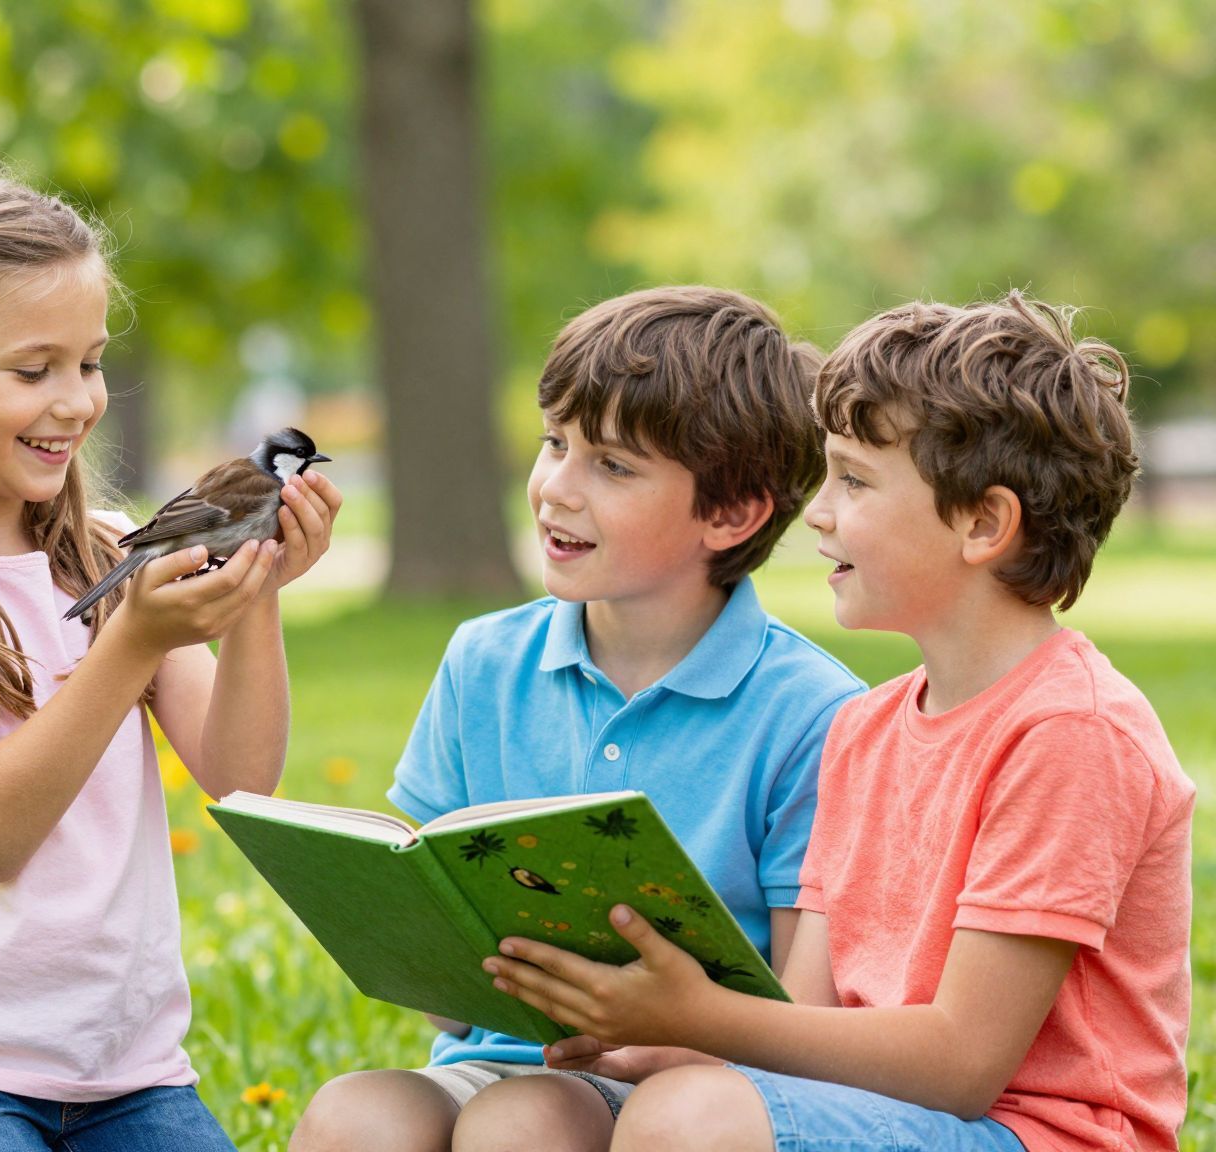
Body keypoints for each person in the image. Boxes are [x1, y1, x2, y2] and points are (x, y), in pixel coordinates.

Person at [487, 293, 1193, 1152]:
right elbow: (806, 1022)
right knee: (568, 1111)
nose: (816, 513)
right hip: (887, 1114)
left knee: (692, 1117)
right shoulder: (863, 728)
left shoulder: (1071, 733)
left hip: (1037, 1134)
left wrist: (702, 1015)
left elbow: (962, 1065)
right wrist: (660, 1034)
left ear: (984, 522)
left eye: (854, 480)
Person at [0, 165, 343, 1152]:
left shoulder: (101, 548)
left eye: (88, 363)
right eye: (32, 369)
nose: (76, 401)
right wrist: (125, 643)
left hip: (124, 1075)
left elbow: (240, 777)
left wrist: (251, 591)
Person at [292, 287, 862, 1152]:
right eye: (555, 443)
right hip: (500, 1057)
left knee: (522, 1123)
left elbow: (800, 1012)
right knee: (355, 1113)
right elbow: (440, 964)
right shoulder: (484, 662)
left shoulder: (811, 712)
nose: (557, 487)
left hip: (690, 1085)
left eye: (613, 466)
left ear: (730, 512)